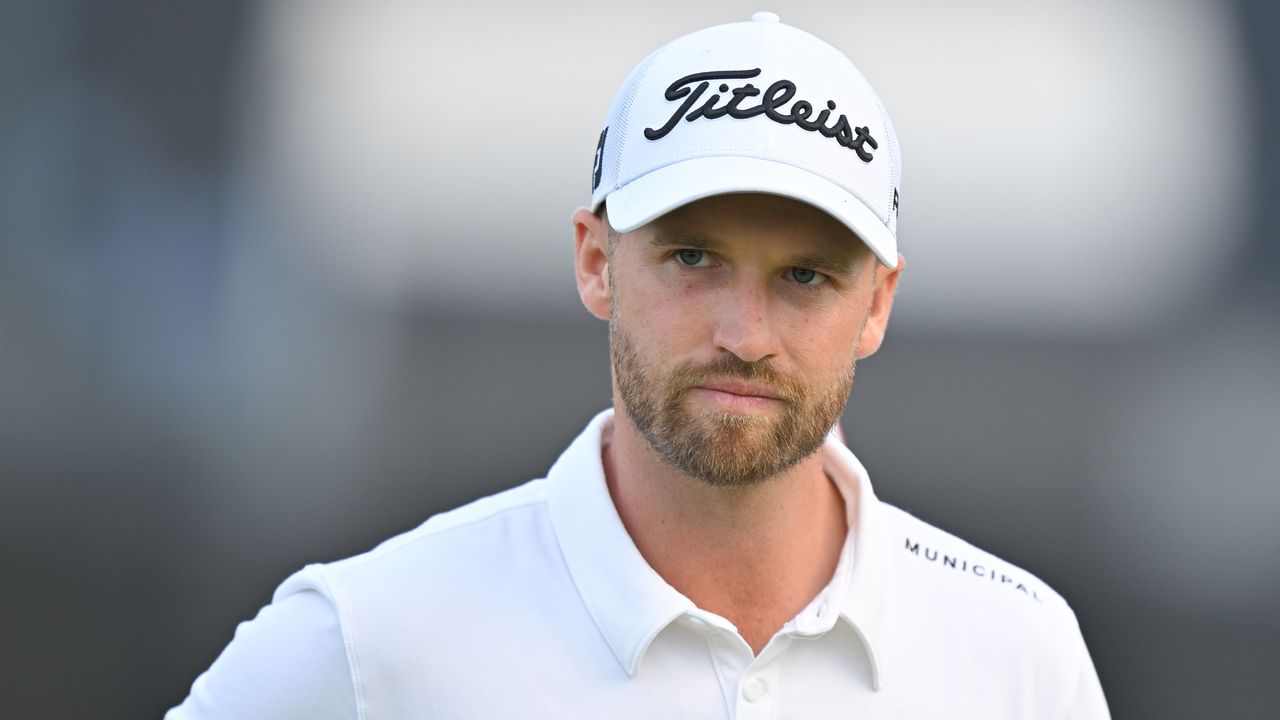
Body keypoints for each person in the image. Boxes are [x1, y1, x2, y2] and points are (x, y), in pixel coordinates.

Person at [168, 12, 1110, 719]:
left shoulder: (1018, 655)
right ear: (594, 260)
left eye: (806, 276)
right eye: (693, 258)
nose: (746, 333)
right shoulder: (372, 638)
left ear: (877, 305)